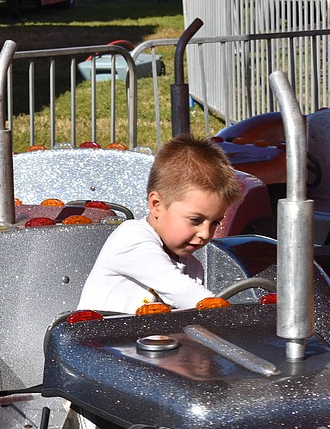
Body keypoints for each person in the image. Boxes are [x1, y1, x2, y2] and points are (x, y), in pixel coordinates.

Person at [77, 133, 242, 314]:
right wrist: (228, 316)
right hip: (97, 339)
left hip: (148, 341)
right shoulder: (132, 238)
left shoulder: (194, 268)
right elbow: (177, 288)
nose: (205, 233)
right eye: (196, 220)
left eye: (215, 223)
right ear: (157, 205)